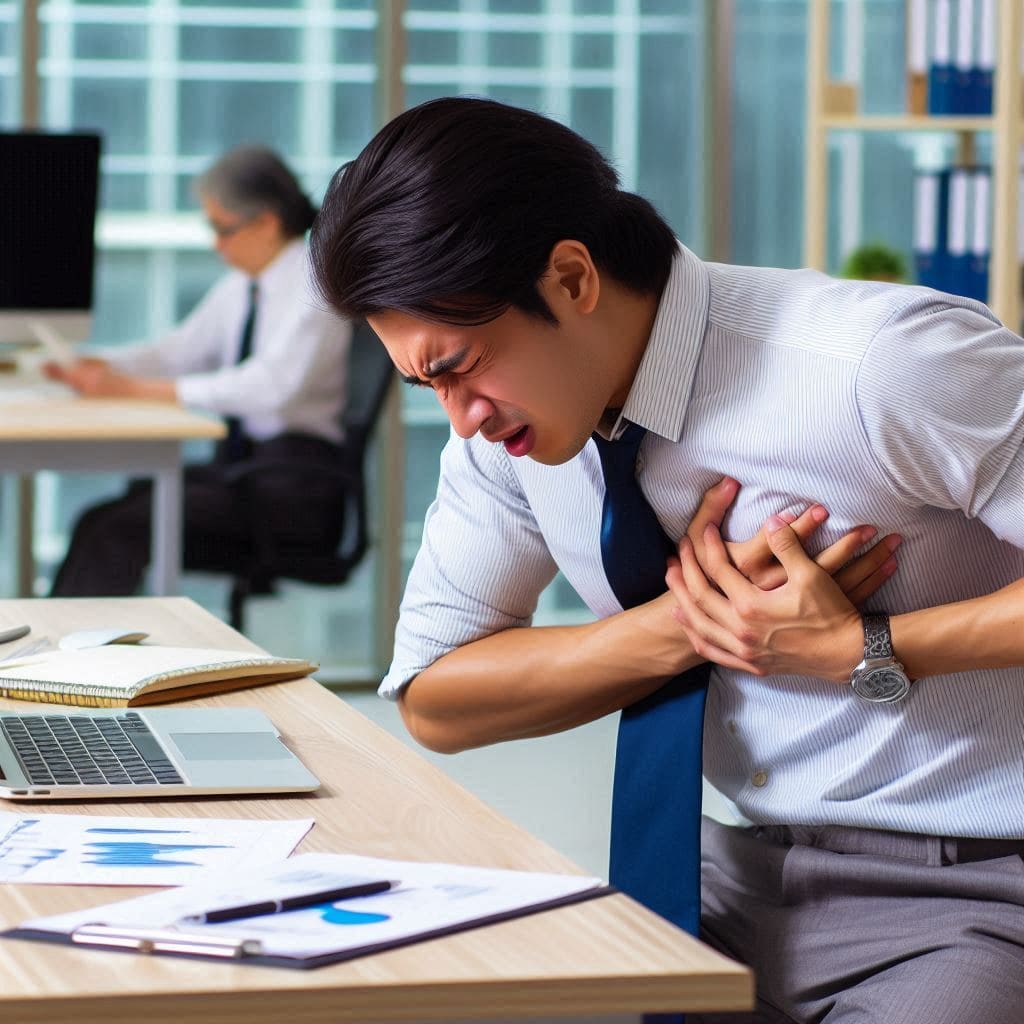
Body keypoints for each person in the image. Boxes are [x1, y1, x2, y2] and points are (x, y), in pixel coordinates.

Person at [307, 96, 1024, 1024]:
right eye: (425, 384)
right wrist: (692, 623)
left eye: (459, 366)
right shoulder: (509, 435)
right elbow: (438, 697)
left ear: (571, 278)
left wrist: (872, 647)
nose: (461, 417)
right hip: (729, 878)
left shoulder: (878, 365)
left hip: (977, 890)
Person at [47, 145, 351, 597]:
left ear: (266, 222)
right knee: (109, 513)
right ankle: (73, 659)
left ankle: (75, 664)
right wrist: (102, 365)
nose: (216, 244)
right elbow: (180, 351)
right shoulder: (244, 284)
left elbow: (270, 388)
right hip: (244, 469)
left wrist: (135, 390)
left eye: (222, 228)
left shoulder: (316, 286)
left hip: (293, 485)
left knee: (114, 529)